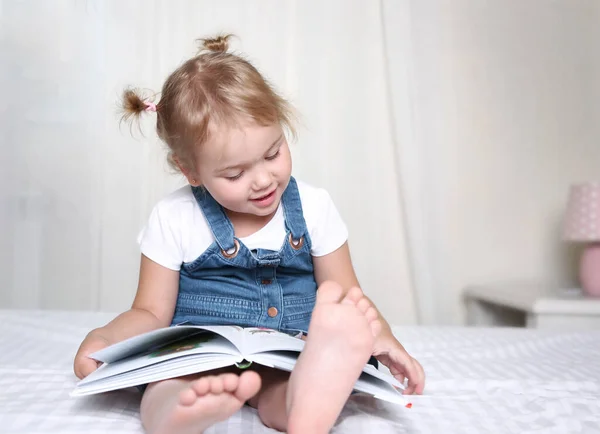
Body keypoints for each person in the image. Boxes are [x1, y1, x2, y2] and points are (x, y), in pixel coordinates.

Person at [73, 34, 425, 434]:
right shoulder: (175, 216)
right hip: (200, 354)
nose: (263, 180)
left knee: (288, 385)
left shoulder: (314, 207)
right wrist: (106, 338)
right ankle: (179, 414)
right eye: (235, 174)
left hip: (291, 349)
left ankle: (306, 406)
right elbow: (150, 312)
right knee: (165, 384)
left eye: (273, 153)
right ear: (190, 171)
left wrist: (383, 338)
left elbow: (347, 297)